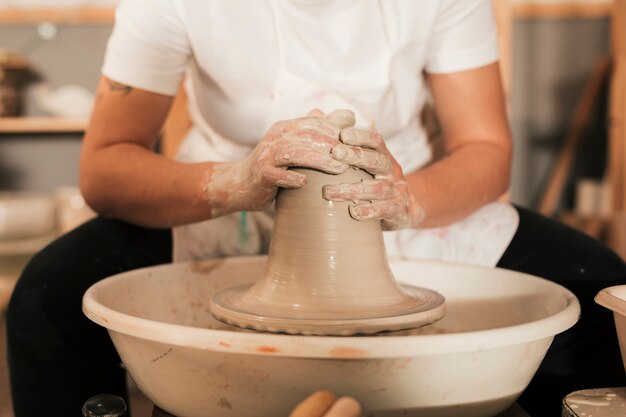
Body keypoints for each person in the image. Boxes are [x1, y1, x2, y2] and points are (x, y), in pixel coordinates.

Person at [6, 1, 625, 416]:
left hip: (402, 194)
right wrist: (233, 181)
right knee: (49, 296)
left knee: (599, 290)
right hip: (225, 198)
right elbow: (106, 165)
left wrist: (409, 199)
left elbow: (485, 148)